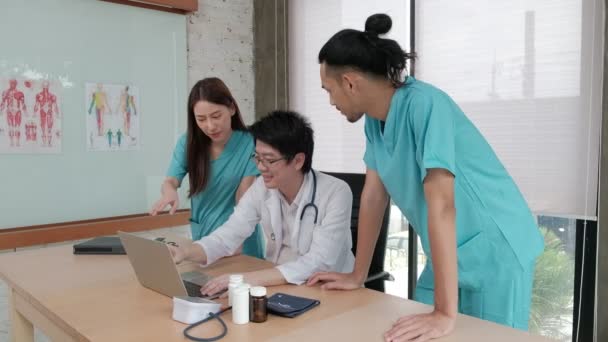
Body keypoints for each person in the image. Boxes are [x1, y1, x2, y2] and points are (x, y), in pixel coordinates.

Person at [306, 13, 544, 342]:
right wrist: (357, 274)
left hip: (496, 250)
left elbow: (443, 204)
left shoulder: (425, 105)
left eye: (329, 90)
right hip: (448, 250)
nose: (330, 101)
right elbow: (374, 195)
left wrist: (445, 313)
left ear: (349, 82)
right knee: (412, 332)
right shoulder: (374, 122)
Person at [168, 110, 355, 296]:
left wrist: (245, 279)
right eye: (257, 157)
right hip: (279, 285)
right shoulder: (262, 188)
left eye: (269, 160)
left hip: (329, 291)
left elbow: (319, 262)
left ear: (298, 160)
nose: (260, 167)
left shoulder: (336, 192)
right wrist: (185, 252)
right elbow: (229, 234)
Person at [150, 77, 264, 259]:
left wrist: (232, 242)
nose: (210, 126)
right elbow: (171, 180)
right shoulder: (188, 143)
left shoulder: (251, 143)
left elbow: (244, 200)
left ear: (232, 109)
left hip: (240, 247)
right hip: (201, 244)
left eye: (216, 116)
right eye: (201, 119)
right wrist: (169, 191)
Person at [34, 80, 60, 147]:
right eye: (44, 85)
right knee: (43, 128)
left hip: (49, 113)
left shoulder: (52, 96)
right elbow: (36, 105)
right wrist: (34, 112)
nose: (45, 87)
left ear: (48, 86)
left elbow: (55, 105)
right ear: (42, 86)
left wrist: (57, 113)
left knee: (49, 129)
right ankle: (44, 143)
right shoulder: (39, 95)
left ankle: (49, 143)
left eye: (46, 85)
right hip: (42, 113)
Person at [0, 79, 26, 147]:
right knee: (11, 127)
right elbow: (2, 103)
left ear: (16, 84)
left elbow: (23, 104)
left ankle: (17, 142)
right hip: (9, 111)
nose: (12, 84)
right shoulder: (5, 92)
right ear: (9, 83)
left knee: (17, 127)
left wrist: (26, 112)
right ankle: (11, 142)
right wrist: (1, 111)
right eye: (11, 83)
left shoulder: (20, 93)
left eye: (14, 83)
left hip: (17, 111)